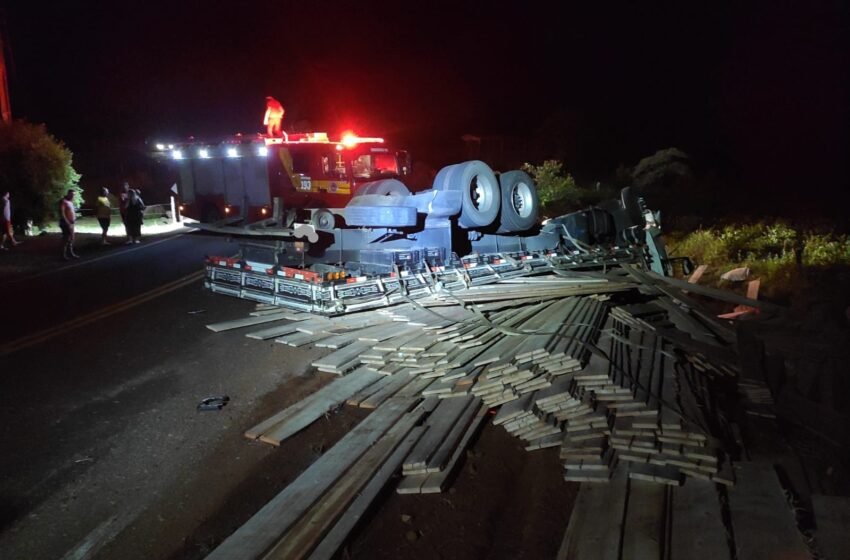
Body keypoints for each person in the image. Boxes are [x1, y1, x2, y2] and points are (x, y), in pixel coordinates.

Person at [59, 189, 79, 260]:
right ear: (68, 194)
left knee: (71, 238)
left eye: (74, 195)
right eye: (71, 194)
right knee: (66, 239)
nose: (73, 196)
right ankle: (63, 255)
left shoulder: (70, 202)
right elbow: (62, 213)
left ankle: (71, 253)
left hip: (71, 223)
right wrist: (67, 222)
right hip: (66, 223)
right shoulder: (64, 201)